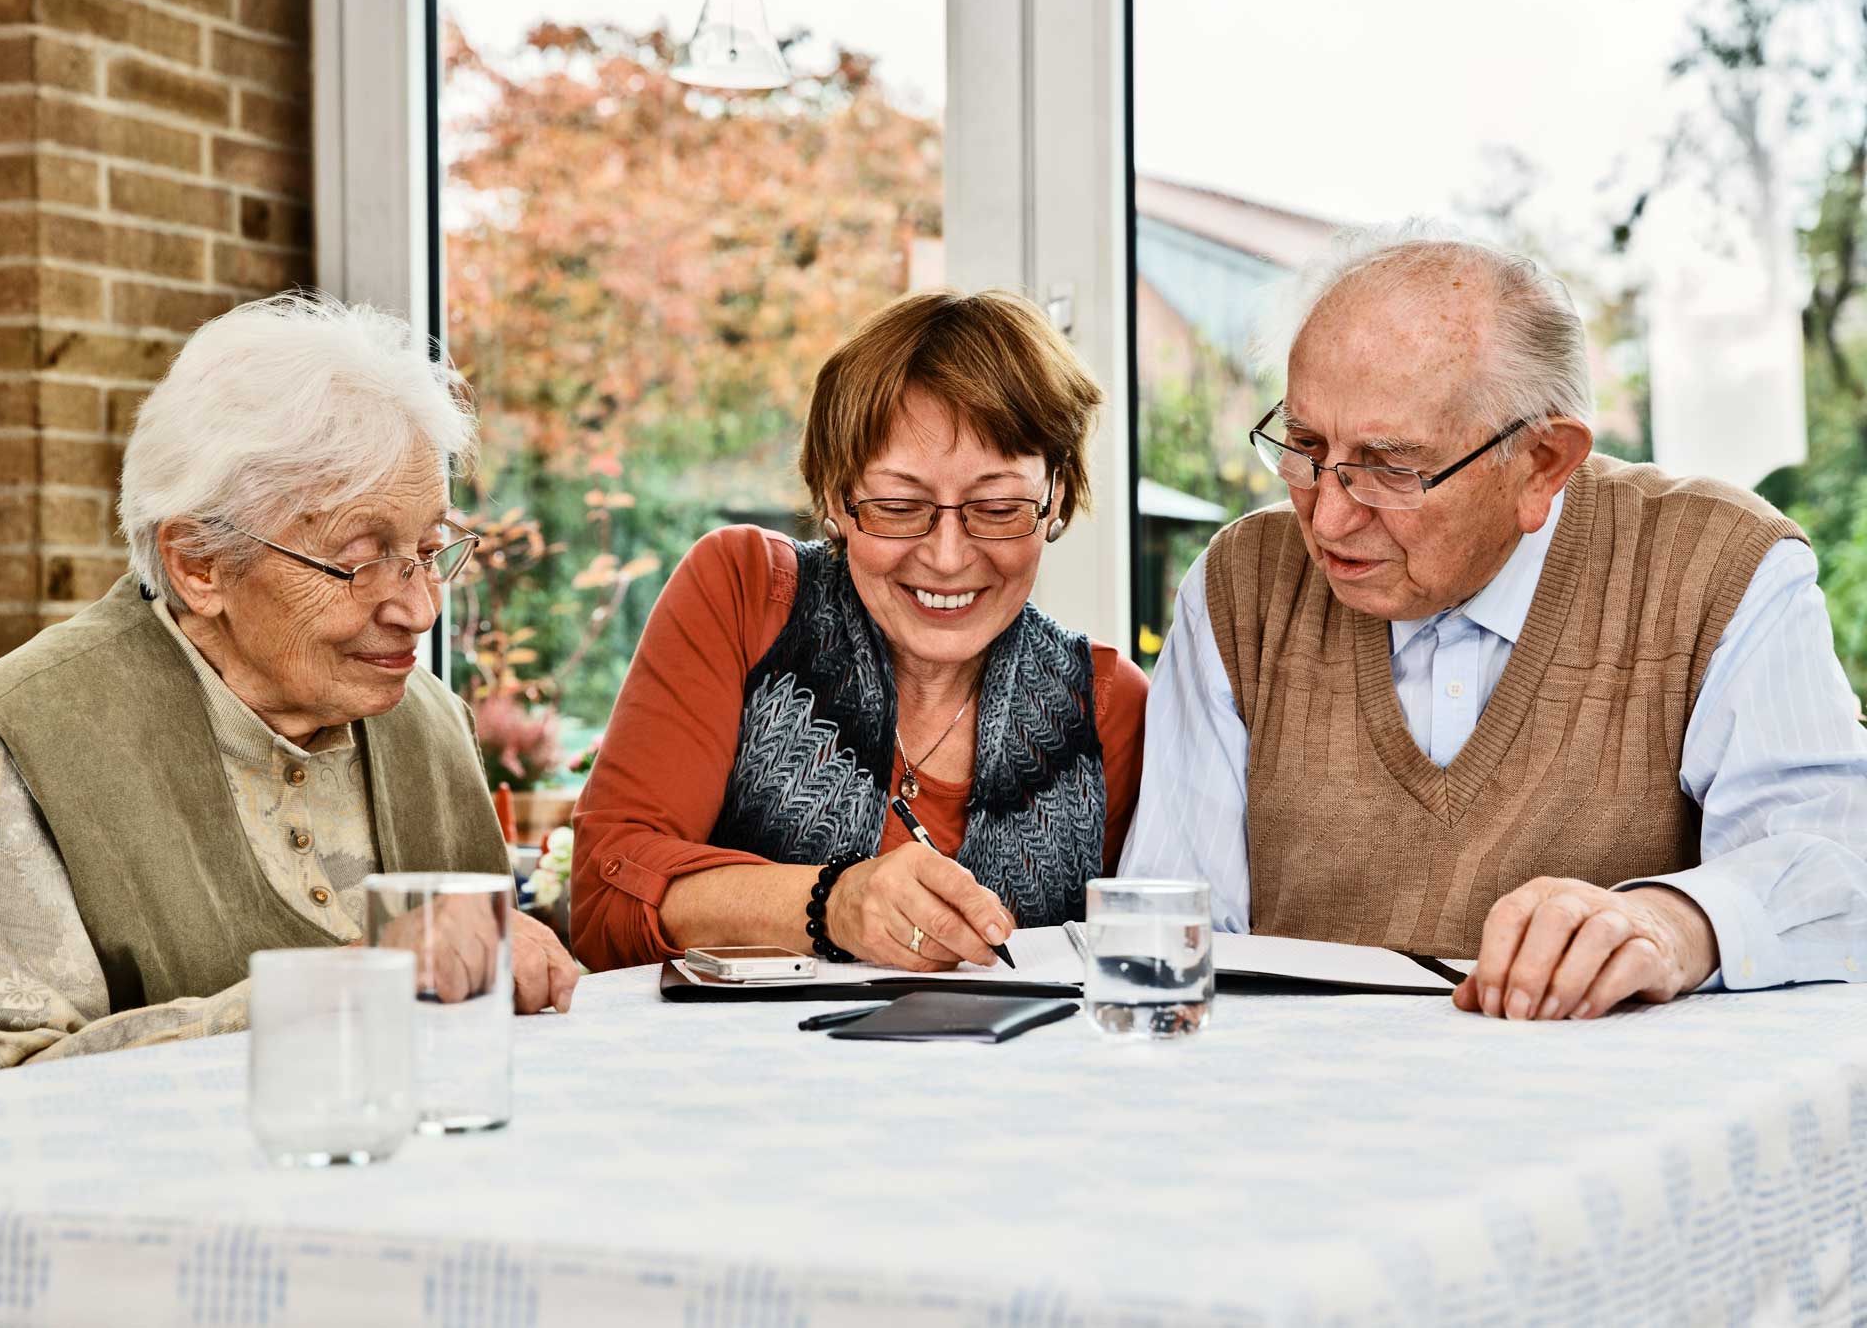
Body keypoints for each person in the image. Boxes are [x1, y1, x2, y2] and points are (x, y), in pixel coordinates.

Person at [1121, 230, 1867, 1021]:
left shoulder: (1721, 565)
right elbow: (1163, 933)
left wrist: (1669, 922)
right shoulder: (1241, 584)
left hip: (1606, 1118)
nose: (1329, 516)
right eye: (1305, 445)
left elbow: (1835, 872)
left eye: (1391, 467)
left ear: (1542, 462)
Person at [0, 294, 577, 1080]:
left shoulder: (428, 719)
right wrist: (339, 989)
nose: (420, 606)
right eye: (360, 557)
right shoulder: (33, 740)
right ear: (198, 565)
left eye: (428, 547)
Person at [571, 290, 1149, 972]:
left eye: (997, 507)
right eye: (898, 506)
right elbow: (606, 903)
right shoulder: (745, 592)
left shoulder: (1107, 709)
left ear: (1055, 497)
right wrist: (832, 903)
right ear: (835, 499)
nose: (946, 555)